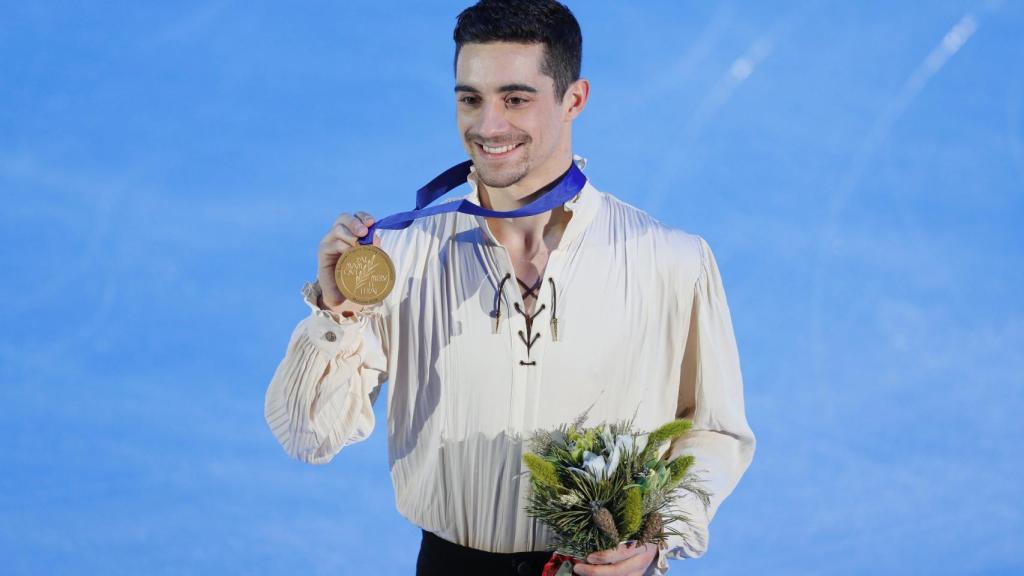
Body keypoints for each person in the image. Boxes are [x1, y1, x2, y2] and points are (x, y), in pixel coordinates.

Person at [264, 1, 755, 574]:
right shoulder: (400, 256)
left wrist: (657, 533)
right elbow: (307, 436)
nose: (488, 125)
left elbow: (714, 431)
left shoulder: (671, 260)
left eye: (515, 99)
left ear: (574, 100)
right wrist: (337, 312)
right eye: (470, 98)